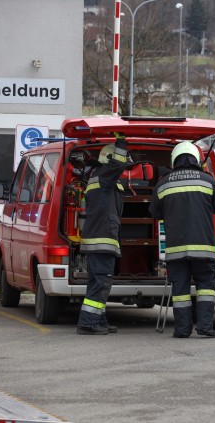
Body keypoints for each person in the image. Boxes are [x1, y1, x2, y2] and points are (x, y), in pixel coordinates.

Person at [150, 142, 215, 338]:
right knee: (206, 288)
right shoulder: (207, 180)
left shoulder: (163, 182)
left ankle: (182, 329)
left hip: (176, 249)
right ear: (197, 158)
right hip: (203, 247)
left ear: (175, 159)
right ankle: (205, 327)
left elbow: (155, 213)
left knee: (180, 290)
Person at [77, 136, 129, 335]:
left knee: (99, 282)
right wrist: (121, 146)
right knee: (101, 283)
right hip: (102, 239)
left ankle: (98, 319)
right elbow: (117, 165)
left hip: (99, 239)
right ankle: (88, 323)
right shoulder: (105, 175)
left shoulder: (100, 178)